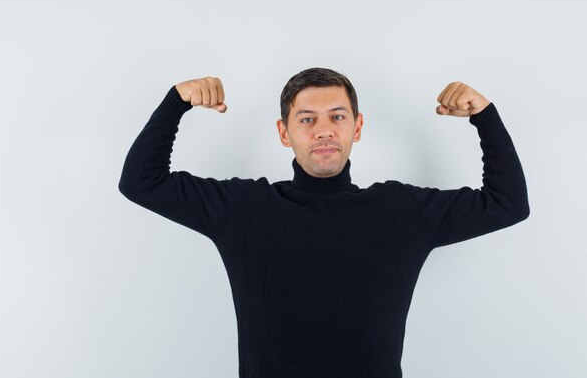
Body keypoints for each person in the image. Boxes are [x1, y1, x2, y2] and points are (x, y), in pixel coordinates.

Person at [118, 67, 530, 378]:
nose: (324, 131)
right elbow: (141, 181)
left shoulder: (401, 210)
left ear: (357, 125)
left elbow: (507, 203)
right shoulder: (243, 208)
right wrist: (177, 101)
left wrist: (485, 117)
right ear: (285, 132)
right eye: (307, 119)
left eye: (337, 116)